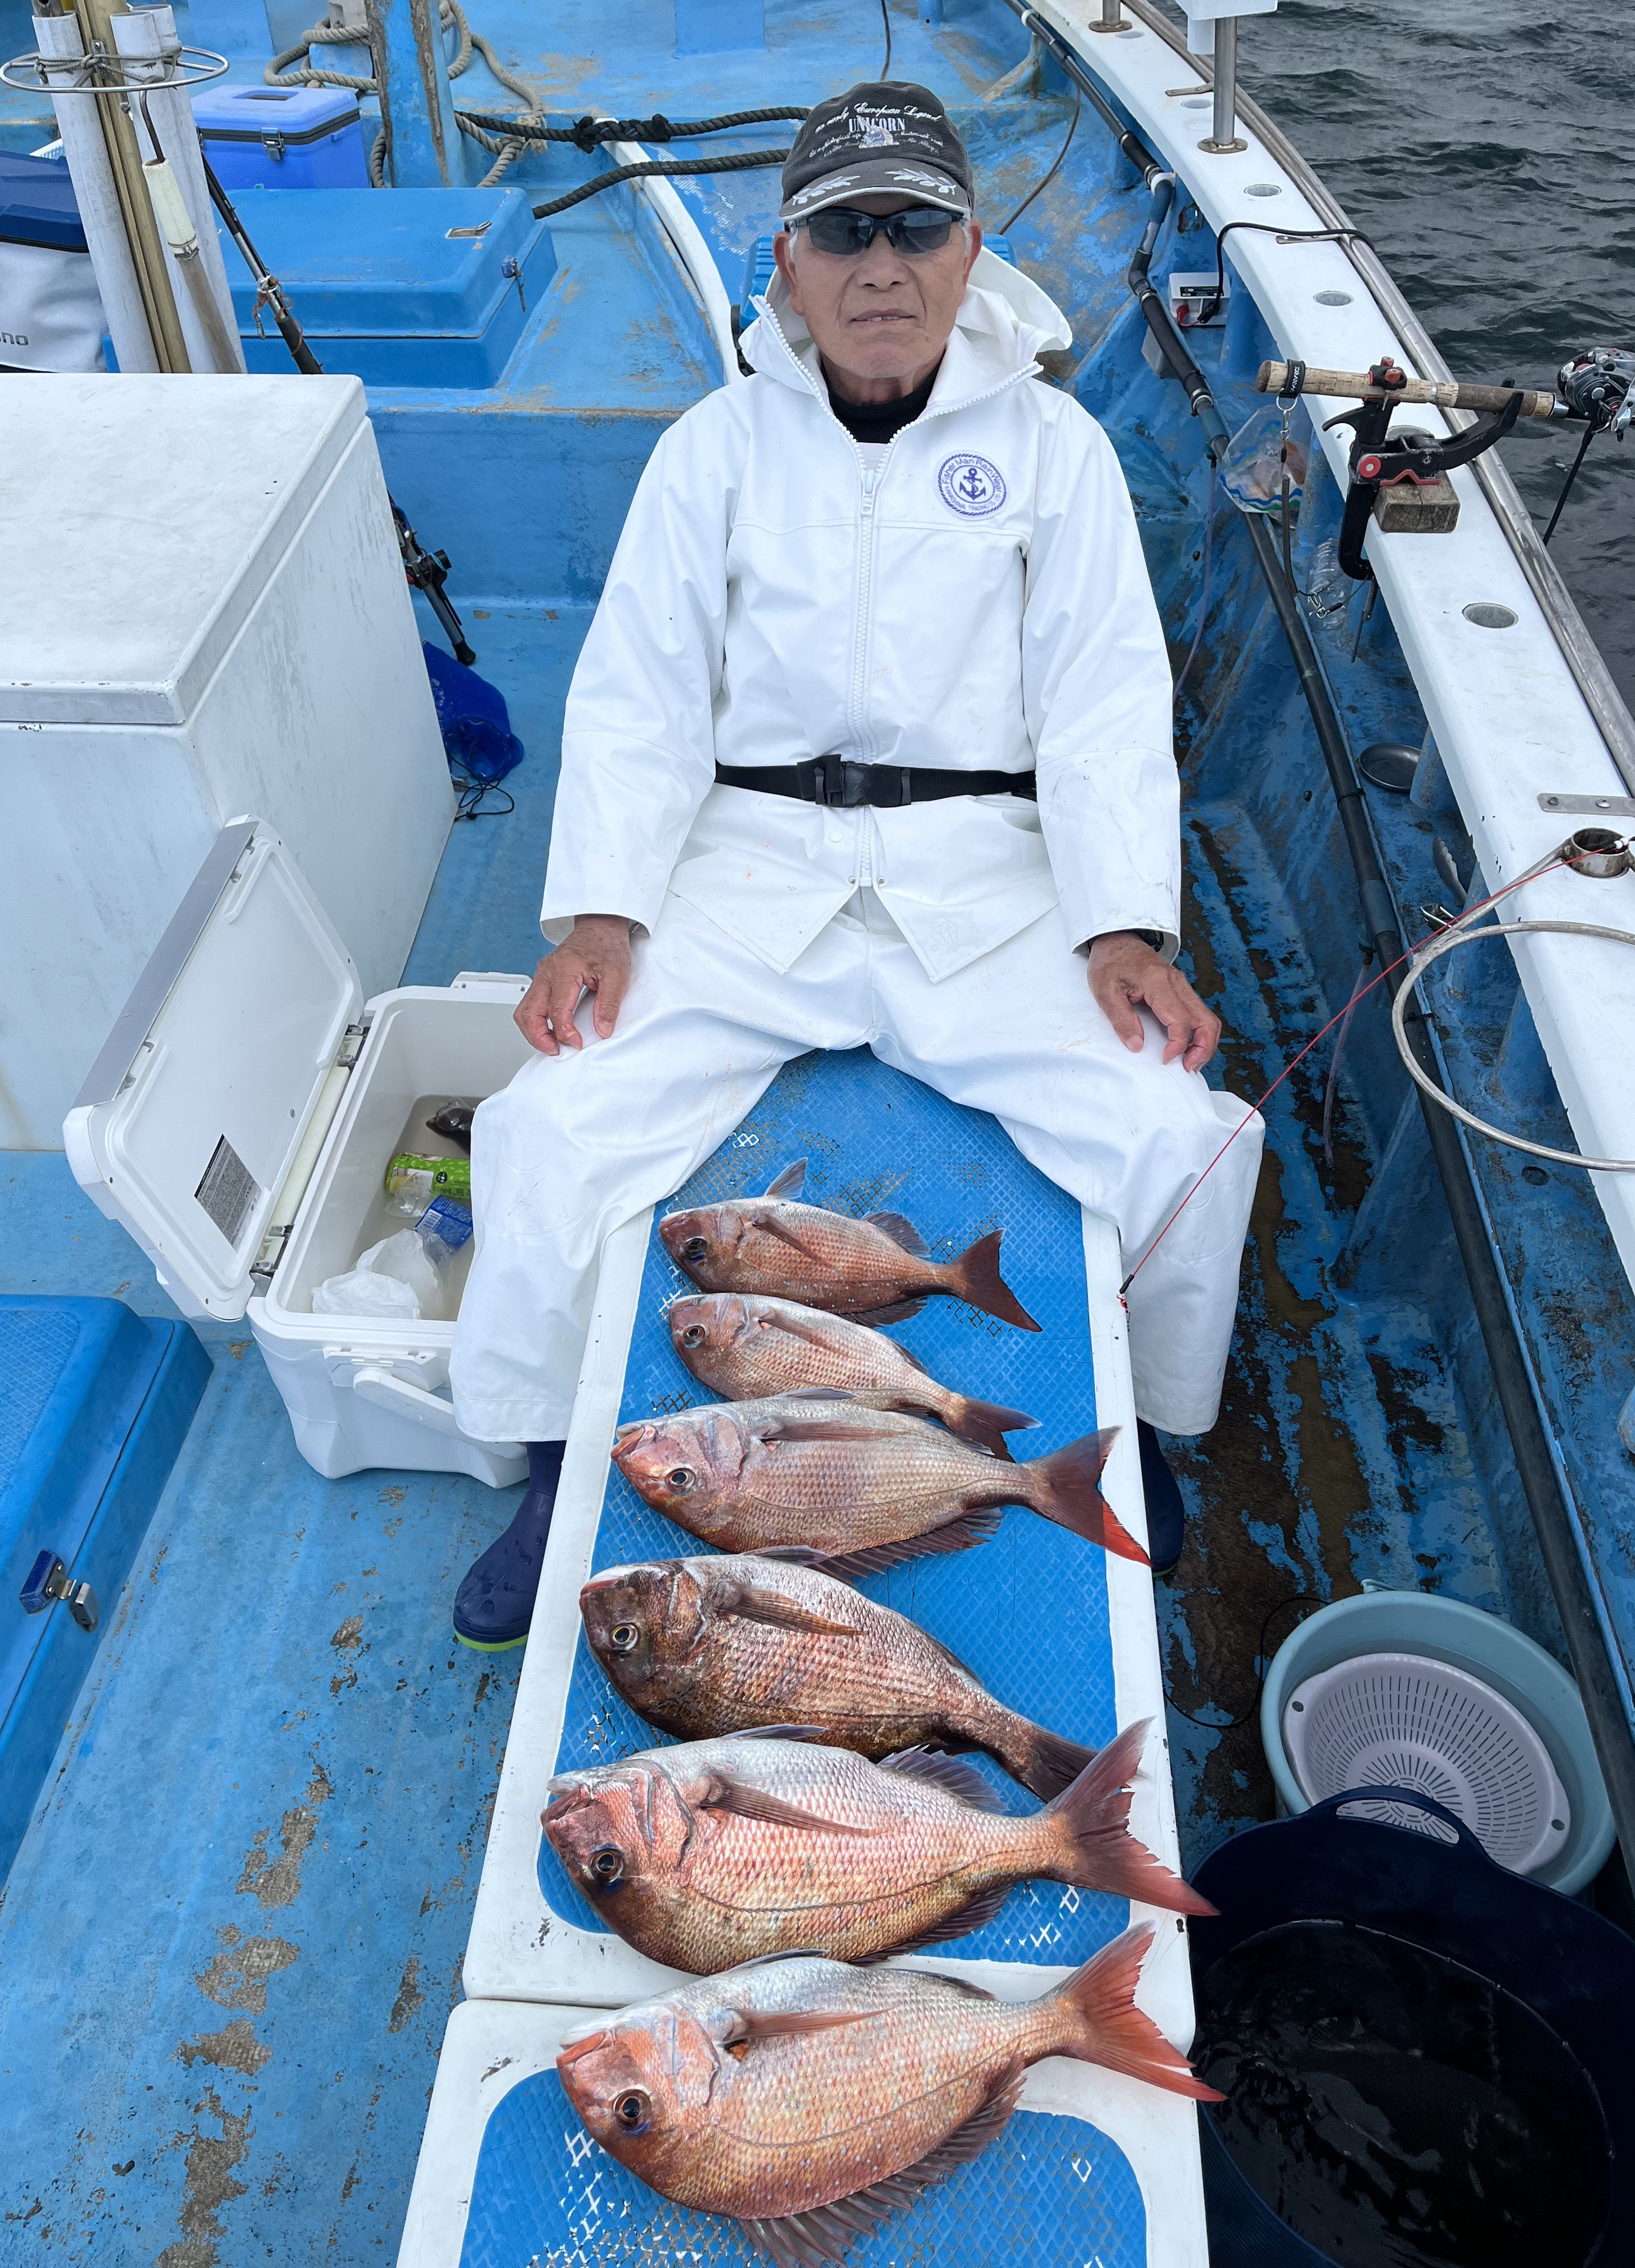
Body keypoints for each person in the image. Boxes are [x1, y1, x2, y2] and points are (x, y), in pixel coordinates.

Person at [446, 82, 1263, 1650]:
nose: (881, 265)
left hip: (985, 877)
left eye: (916, 227)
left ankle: (1143, 1447)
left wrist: (1121, 930)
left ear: (971, 252)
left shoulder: (1057, 452)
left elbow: (1102, 702)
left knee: (1187, 1138)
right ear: (788, 264)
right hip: (750, 869)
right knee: (542, 1128)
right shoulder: (713, 451)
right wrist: (603, 915)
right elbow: (638, 694)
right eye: (844, 232)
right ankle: (551, 1468)